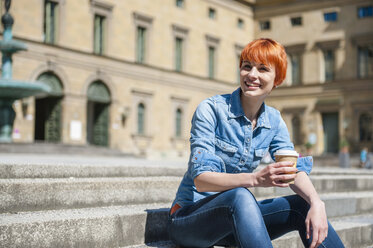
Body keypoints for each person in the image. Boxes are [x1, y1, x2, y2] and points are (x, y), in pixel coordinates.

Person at [167, 38, 345, 248]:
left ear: (277, 79)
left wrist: (316, 201)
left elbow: (292, 169)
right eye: (246, 67)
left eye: (262, 69)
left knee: (303, 205)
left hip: (234, 221)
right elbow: (201, 180)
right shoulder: (211, 109)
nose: (252, 75)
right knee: (241, 195)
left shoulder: (274, 120)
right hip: (189, 220)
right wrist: (254, 179)